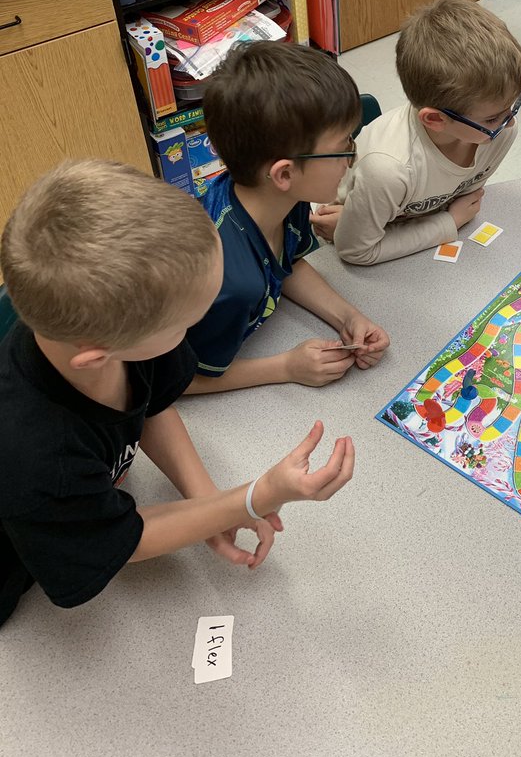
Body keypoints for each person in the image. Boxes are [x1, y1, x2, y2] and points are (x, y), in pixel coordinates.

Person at [0, 160, 355, 628]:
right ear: (99, 355)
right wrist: (253, 497)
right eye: (185, 325)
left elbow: (149, 404)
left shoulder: (103, 335)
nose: (191, 332)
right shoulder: (37, 454)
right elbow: (125, 540)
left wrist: (206, 503)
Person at [186, 42, 390, 392]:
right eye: (343, 147)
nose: (350, 159)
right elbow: (168, 382)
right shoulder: (227, 280)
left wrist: (348, 317)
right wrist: (285, 367)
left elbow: (287, 264)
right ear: (284, 173)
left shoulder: (282, 196)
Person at [313, 0, 521, 265]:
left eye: (514, 104)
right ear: (436, 119)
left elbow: (461, 199)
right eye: (492, 119)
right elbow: (355, 250)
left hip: (393, 233)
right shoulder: (388, 170)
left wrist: (371, 226)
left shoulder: (499, 133)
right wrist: (449, 222)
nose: (510, 122)